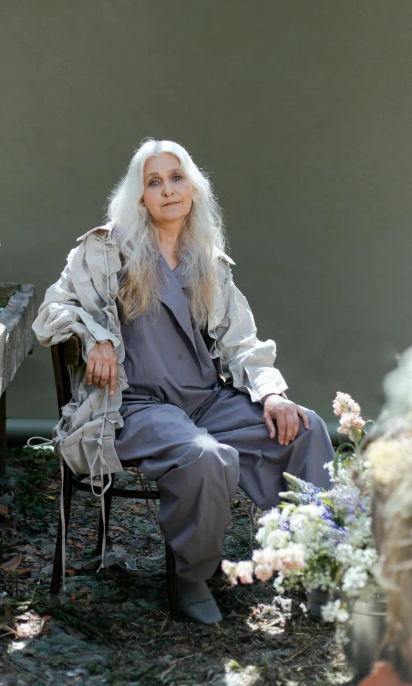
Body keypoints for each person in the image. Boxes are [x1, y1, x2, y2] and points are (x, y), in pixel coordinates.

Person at [32, 139, 334, 625]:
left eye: (176, 178)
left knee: (305, 427)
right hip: (138, 406)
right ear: (140, 197)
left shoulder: (207, 260)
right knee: (206, 456)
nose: (168, 190)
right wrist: (98, 337)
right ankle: (191, 576)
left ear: (192, 186)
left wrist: (273, 393)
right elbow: (54, 310)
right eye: (154, 182)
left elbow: (242, 343)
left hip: (205, 400)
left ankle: (315, 562)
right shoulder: (106, 251)